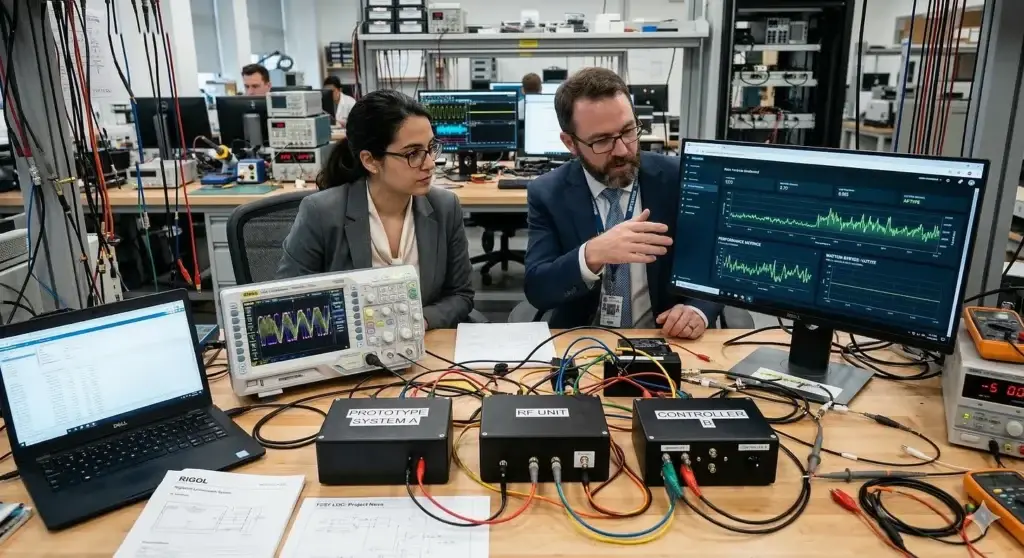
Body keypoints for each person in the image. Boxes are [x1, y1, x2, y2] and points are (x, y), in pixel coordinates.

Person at [524, 67, 722, 338]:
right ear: (570, 143)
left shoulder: (679, 179)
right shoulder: (547, 193)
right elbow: (538, 289)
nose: (622, 150)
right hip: (584, 341)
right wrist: (591, 254)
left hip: (665, 339)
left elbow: (713, 266)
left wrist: (697, 311)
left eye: (628, 131)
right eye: (602, 140)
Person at [276, 90, 474, 330]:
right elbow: (290, 302)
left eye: (431, 148)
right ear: (370, 161)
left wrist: (419, 321)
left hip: (424, 346)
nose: (430, 163)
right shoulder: (322, 212)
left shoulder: (445, 207)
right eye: (413, 153)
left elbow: (460, 295)